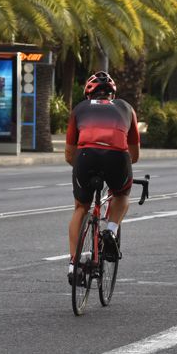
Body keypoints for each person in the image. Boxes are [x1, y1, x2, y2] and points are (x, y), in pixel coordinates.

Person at [65, 71, 140, 284]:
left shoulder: (79, 109)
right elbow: (134, 155)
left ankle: (74, 264)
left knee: (80, 207)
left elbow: (69, 154)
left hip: (85, 157)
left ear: (88, 94)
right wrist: (120, 171)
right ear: (112, 94)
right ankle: (111, 230)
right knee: (122, 194)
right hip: (117, 157)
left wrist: (83, 171)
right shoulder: (126, 108)